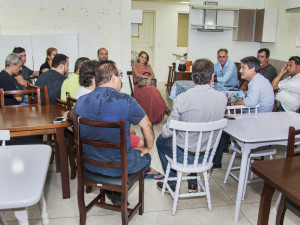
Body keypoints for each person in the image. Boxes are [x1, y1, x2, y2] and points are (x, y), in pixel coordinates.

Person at [72, 60, 155, 205]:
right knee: (146, 158)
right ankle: (117, 191)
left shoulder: (81, 101)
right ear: (113, 78)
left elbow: (72, 117)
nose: (121, 79)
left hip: (91, 166)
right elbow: (147, 124)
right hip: (120, 167)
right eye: (120, 75)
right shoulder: (126, 100)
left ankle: (115, 193)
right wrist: (148, 147)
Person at [156, 59, 227, 192]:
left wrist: (163, 133)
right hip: (207, 155)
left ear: (192, 77)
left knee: (160, 141)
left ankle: (172, 181)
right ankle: (193, 181)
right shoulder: (222, 98)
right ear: (212, 76)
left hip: (184, 156)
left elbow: (169, 130)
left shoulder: (182, 98)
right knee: (200, 138)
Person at [213, 57, 274, 169]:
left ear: (252, 70)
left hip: (257, 121)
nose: (240, 70)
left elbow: (250, 102)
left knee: (223, 124)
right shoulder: (259, 80)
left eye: (243, 68)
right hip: (260, 117)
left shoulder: (255, 83)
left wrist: (234, 103)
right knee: (227, 119)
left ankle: (216, 161)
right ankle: (224, 150)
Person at [132, 51, 169, 124]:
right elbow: (137, 74)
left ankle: (156, 115)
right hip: (139, 87)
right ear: (138, 57)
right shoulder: (134, 66)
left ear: (146, 60)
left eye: (145, 58)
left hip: (148, 86)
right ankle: (166, 110)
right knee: (153, 89)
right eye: (142, 57)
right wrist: (148, 77)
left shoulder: (148, 67)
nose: (143, 59)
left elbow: (153, 75)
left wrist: (150, 77)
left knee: (154, 91)